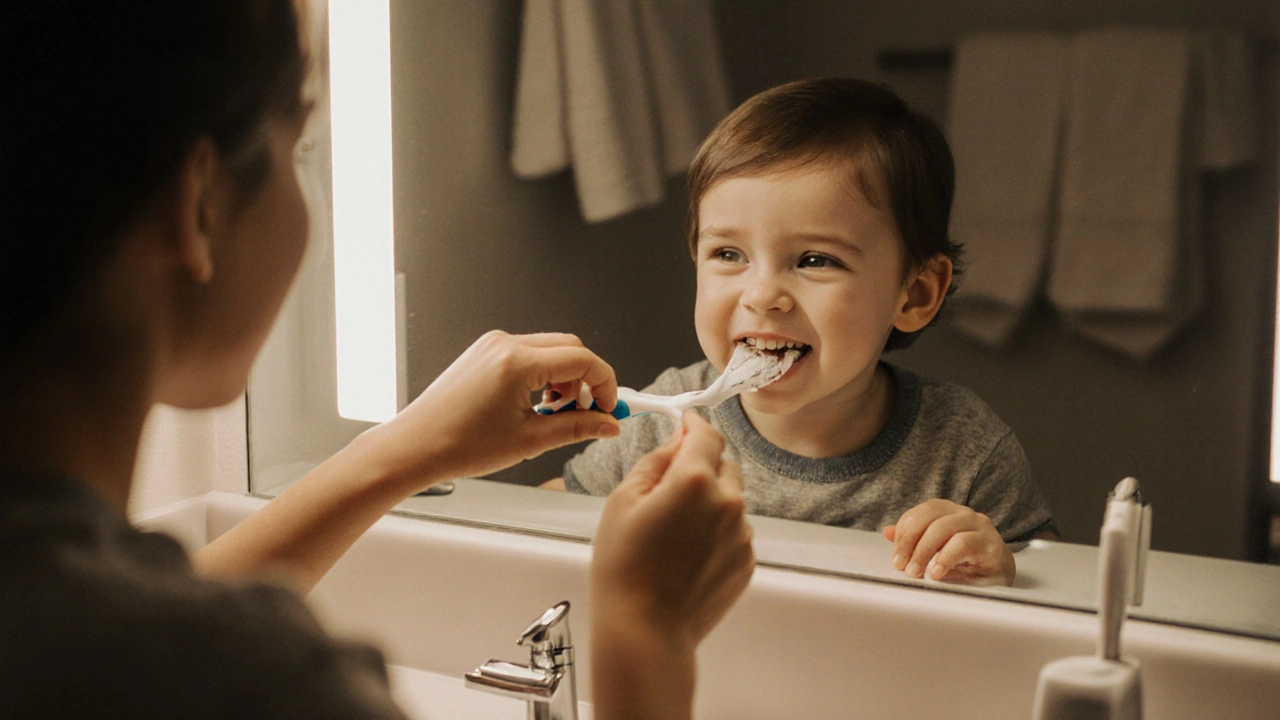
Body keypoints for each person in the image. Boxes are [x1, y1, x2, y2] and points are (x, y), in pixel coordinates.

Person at [0, 2, 753, 718]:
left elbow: (120, 650)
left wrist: (400, 451)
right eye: (299, 147)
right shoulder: (255, 685)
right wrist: (644, 637)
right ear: (195, 202)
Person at [547, 77, 1059, 587]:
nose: (763, 294)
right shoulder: (661, 424)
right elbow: (531, 525)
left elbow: (1061, 590)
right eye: (729, 254)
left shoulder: (965, 452)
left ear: (917, 294)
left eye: (815, 260)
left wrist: (998, 567)